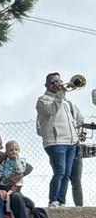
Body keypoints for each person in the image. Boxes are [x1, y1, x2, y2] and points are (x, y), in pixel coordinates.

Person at [36, 72, 82, 207]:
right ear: (46, 85)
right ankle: (53, 200)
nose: (56, 84)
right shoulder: (43, 100)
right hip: (55, 142)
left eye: (58, 81)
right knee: (59, 172)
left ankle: (61, 200)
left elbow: (76, 120)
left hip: (71, 141)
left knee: (67, 173)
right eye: (53, 82)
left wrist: (77, 137)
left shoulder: (66, 102)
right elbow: (51, 111)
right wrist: (59, 95)